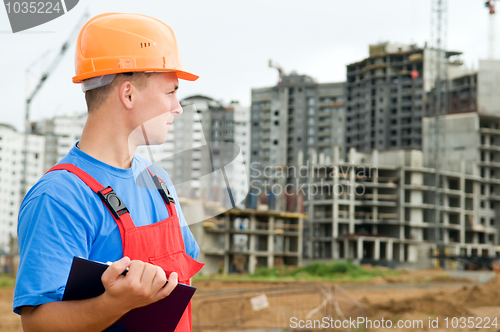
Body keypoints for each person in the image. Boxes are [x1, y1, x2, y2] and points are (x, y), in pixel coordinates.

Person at [13, 13, 203, 332]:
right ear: (128, 94)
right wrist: (115, 303)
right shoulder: (60, 196)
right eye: (170, 92)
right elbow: (37, 325)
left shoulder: (159, 182)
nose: (178, 107)